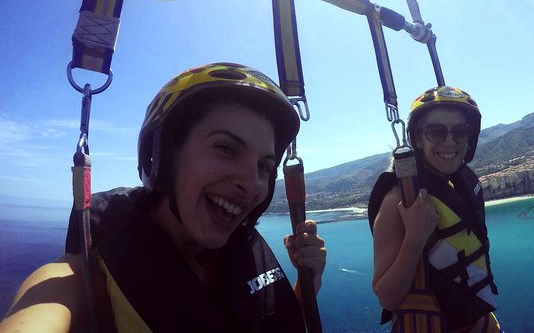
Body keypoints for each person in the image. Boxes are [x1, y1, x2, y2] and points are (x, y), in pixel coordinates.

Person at [0, 62, 326, 332]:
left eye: (264, 166)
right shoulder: (83, 276)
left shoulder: (244, 254)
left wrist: (307, 280)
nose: (251, 183)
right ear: (163, 156)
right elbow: (39, 312)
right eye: (226, 149)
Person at [368, 86, 500, 333]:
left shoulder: (455, 185)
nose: (449, 142)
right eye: (436, 132)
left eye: (460, 132)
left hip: (477, 322)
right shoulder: (398, 200)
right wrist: (415, 237)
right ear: (417, 138)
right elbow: (387, 296)